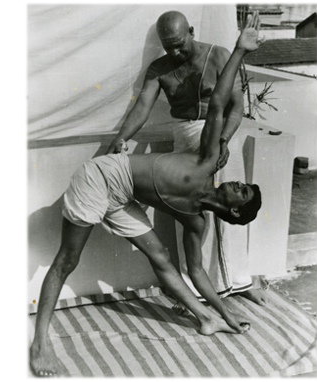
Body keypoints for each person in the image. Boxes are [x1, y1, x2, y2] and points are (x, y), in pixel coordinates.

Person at [30, 13, 262, 377]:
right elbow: (216, 104)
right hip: (99, 179)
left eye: (242, 192)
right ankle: (41, 343)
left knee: (164, 260)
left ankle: (206, 320)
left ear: (233, 213)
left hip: (121, 197)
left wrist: (225, 311)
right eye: (242, 183)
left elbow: (197, 273)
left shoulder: (196, 221)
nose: (237, 184)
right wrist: (239, 50)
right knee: (66, 260)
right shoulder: (208, 161)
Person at [106, 10, 268, 310]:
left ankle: (241, 281)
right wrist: (122, 139)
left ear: (191, 31)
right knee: (190, 217)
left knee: (234, 209)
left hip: (222, 137)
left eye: (180, 43)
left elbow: (234, 108)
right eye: (169, 46)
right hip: (185, 141)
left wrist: (222, 141)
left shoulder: (218, 55)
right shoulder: (159, 69)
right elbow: (141, 108)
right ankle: (195, 291)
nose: (176, 51)